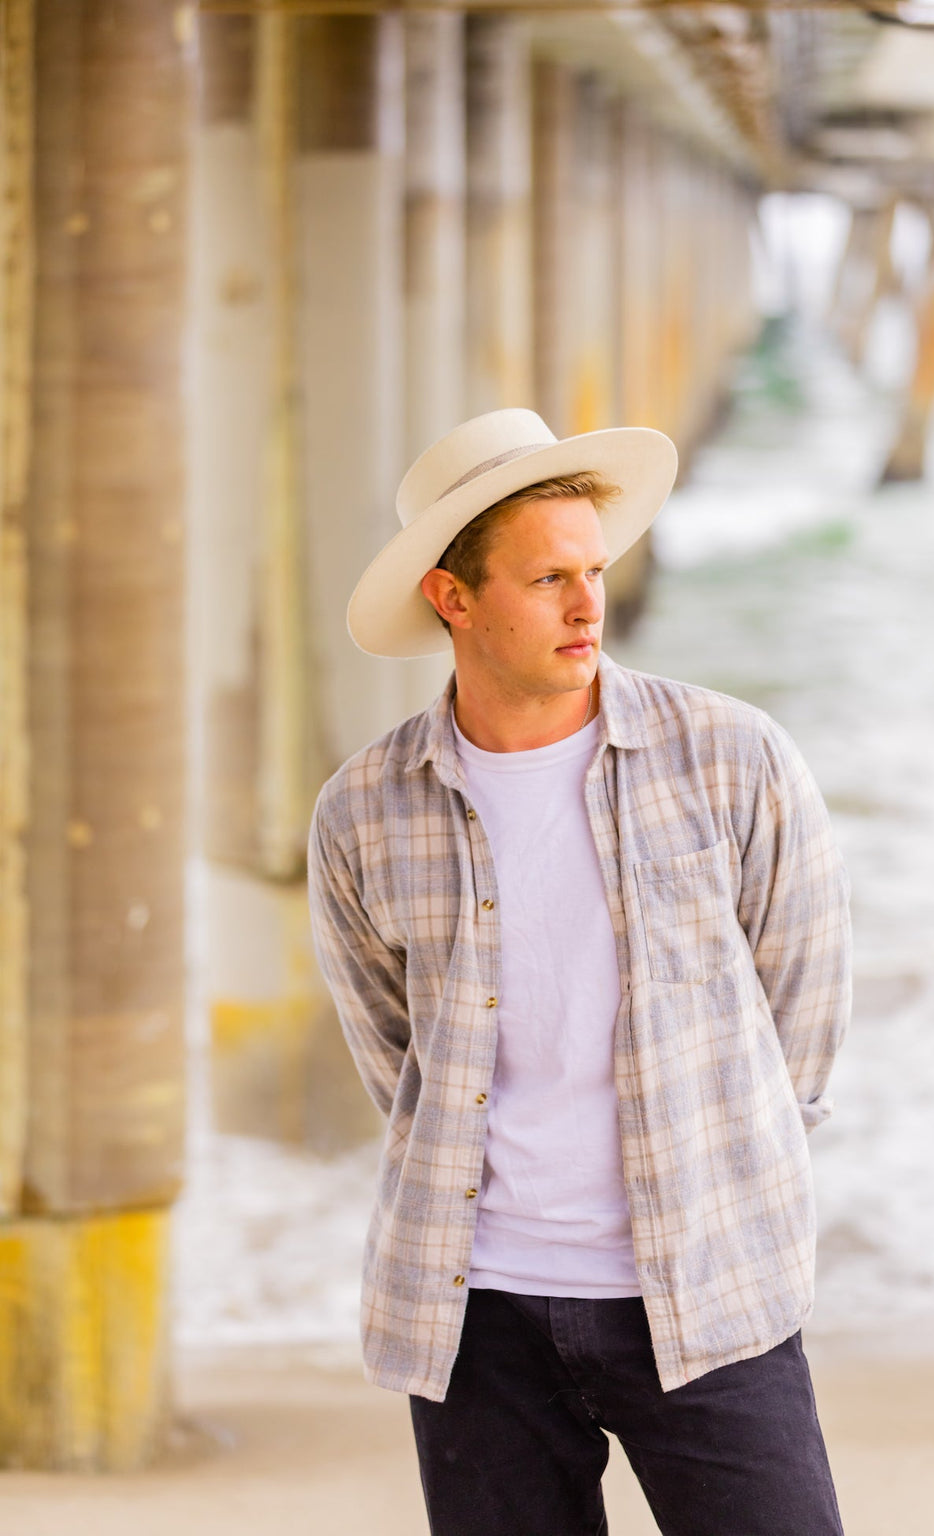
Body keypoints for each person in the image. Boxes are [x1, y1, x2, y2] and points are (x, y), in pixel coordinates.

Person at [308, 407, 851, 1536]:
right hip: (477, 1318)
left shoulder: (731, 758)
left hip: (704, 1295)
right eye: (548, 576)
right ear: (452, 600)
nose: (588, 604)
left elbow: (802, 1010)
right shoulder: (364, 807)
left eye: (595, 570)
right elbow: (392, 1055)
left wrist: (728, 1185)